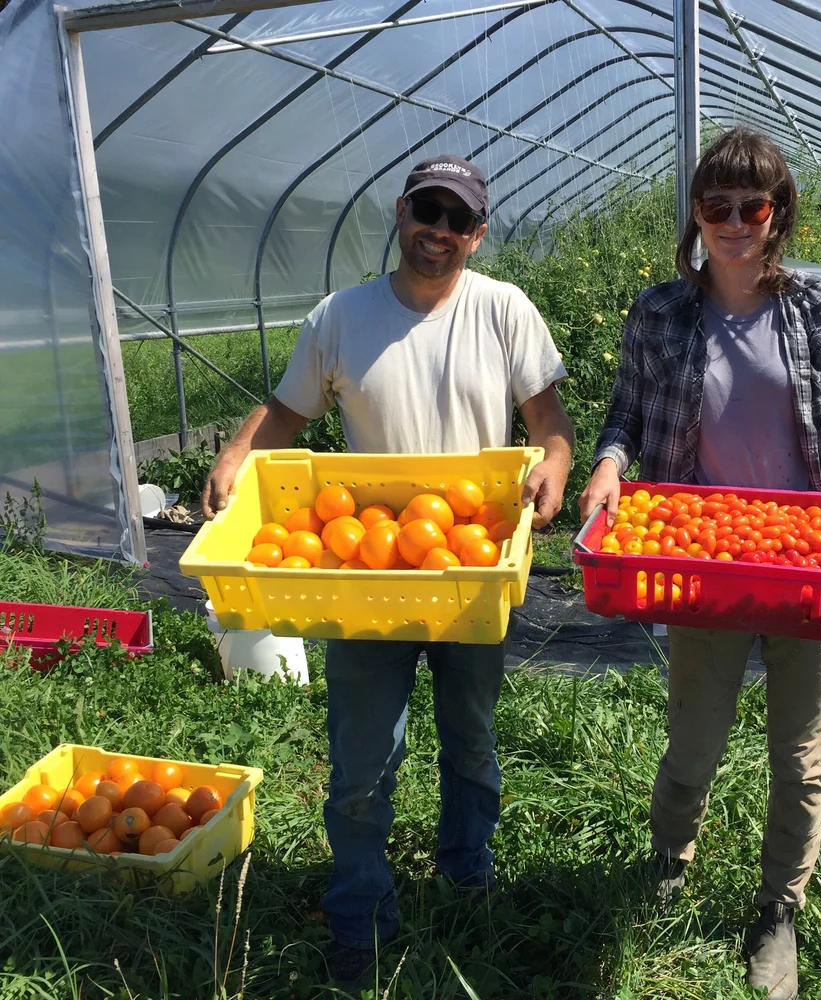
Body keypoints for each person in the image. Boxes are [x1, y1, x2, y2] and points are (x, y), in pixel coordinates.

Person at [579, 127, 821, 1000]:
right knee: (692, 748)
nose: (736, 223)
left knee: (801, 757)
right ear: (698, 216)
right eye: (717, 207)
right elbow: (624, 420)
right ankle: (669, 868)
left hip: (813, 565)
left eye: (754, 206)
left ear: (779, 213)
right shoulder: (660, 312)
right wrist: (607, 466)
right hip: (702, 560)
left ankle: (778, 913)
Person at [202, 154, 573, 987]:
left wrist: (554, 463)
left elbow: (549, 421)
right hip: (365, 571)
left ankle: (466, 880)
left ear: (477, 234)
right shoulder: (343, 315)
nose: (437, 231)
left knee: (471, 741)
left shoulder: (504, 310)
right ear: (401, 211)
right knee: (363, 756)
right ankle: (359, 913)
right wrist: (236, 451)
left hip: (473, 573)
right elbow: (289, 412)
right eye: (425, 211)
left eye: (456, 220)